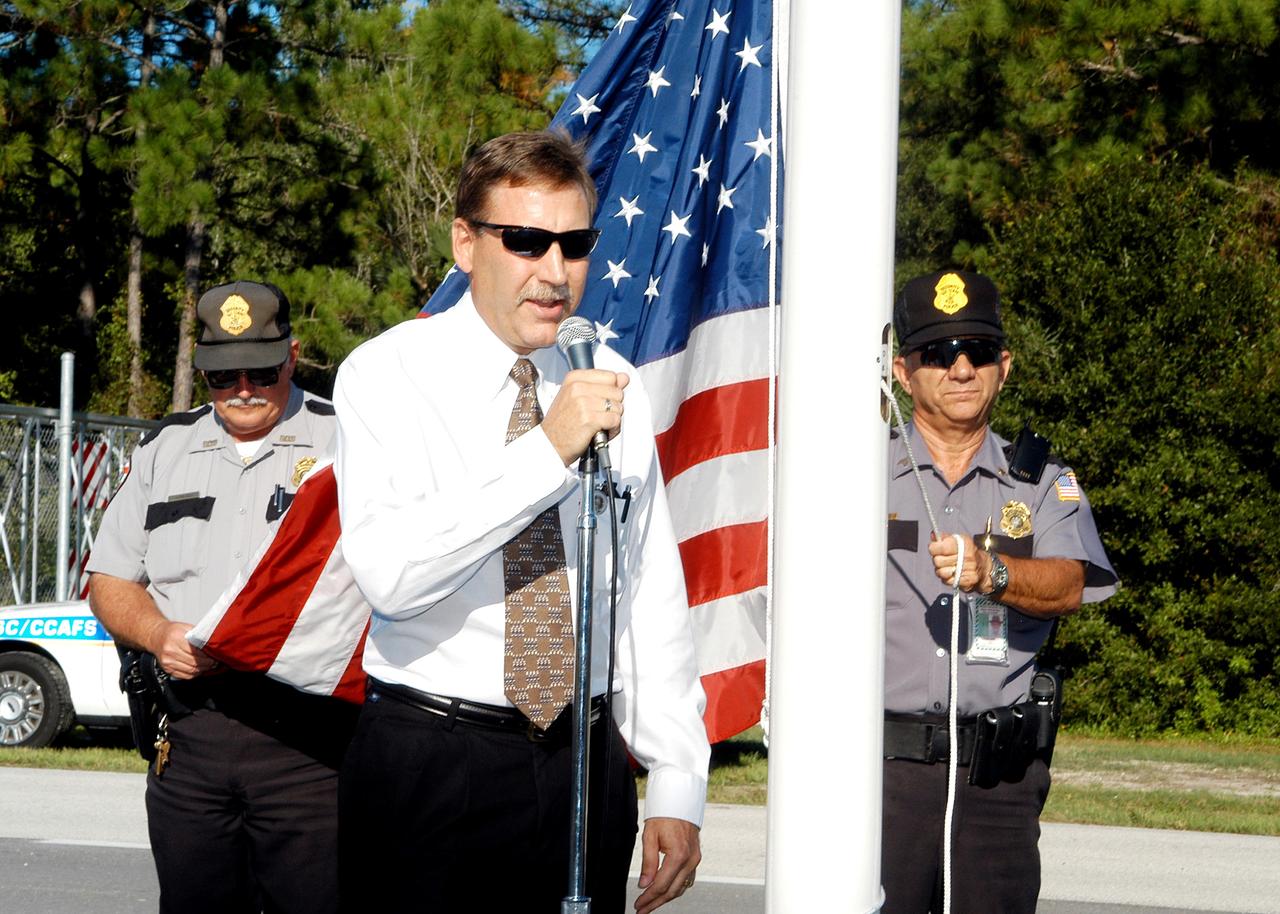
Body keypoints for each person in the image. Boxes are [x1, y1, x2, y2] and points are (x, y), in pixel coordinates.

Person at [332, 130, 710, 914]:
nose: (555, 271)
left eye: (576, 245)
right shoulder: (387, 374)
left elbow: (646, 594)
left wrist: (678, 775)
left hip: (584, 761)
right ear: (465, 242)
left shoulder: (613, 384)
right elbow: (392, 577)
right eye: (527, 241)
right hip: (433, 760)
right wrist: (548, 452)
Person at [87, 280, 355, 914]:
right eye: (221, 375)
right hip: (191, 736)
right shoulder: (166, 448)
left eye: (261, 371)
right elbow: (109, 580)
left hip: (309, 745)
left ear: (292, 355)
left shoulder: (347, 441)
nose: (242, 389)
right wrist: (157, 634)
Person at [882, 270, 1118, 914]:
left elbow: (1071, 583)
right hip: (881, 776)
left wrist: (994, 573)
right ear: (903, 372)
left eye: (978, 351)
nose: (961, 368)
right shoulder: (859, 474)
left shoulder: (1042, 482)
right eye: (938, 353)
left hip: (996, 780)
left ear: (1004, 367)